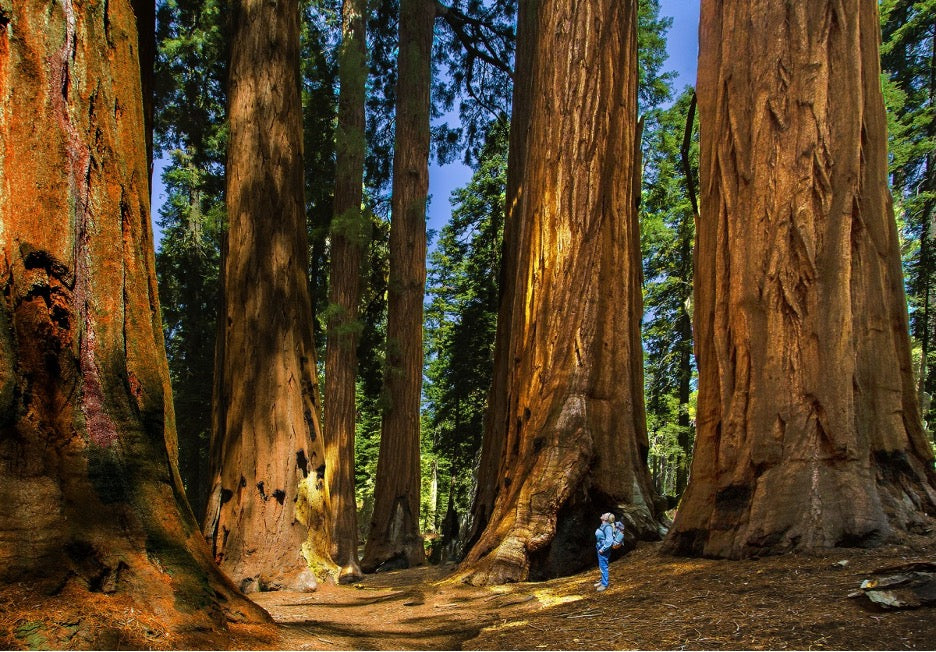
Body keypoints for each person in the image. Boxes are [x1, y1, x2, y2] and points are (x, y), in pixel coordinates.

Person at [594, 512, 614, 592]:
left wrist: (603, 549)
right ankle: (602, 581)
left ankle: (604, 584)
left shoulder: (608, 527)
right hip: (600, 546)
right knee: (601, 565)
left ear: (606, 519)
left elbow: (609, 541)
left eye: (605, 514)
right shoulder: (604, 525)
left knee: (603, 566)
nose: (602, 514)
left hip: (603, 549)